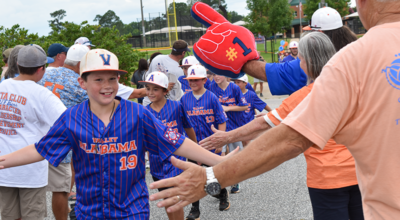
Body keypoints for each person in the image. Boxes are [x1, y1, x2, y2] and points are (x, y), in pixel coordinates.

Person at [149, 0, 400, 218]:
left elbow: (286, 139)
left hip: (335, 182)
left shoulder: (348, 64)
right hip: (356, 180)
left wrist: (211, 177)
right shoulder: (352, 55)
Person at [0, 48, 236, 220]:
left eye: (112, 78)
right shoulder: (72, 117)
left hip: (132, 210)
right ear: (82, 83)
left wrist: (222, 162)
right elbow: (41, 149)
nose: (107, 85)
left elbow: (175, 141)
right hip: (90, 212)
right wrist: (3, 162)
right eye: (98, 79)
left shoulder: (137, 114)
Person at [202, 33, 364, 219]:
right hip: (361, 173)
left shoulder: (306, 95)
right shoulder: (354, 86)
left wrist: (227, 137)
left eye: (300, 59)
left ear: (308, 62)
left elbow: (262, 125)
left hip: (327, 178)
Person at [0, 44, 66, 220]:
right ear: (41, 69)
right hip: (31, 171)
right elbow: (67, 123)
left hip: (4, 168)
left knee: (9, 217)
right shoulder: (42, 94)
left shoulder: (2, 86)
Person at [37, 44, 90, 220]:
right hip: (61, 141)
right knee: (60, 190)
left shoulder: (46, 73)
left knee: (34, 187)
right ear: (80, 64)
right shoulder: (79, 83)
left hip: (37, 136)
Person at [140, 72, 198, 220]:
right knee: (168, 203)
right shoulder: (144, 112)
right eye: (148, 88)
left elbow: (188, 128)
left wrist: (196, 152)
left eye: (155, 89)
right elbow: (144, 140)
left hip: (176, 163)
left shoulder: (176, 106)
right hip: (156, 165)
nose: (150, 93)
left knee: (174, 202)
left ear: (166, 91)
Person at [179, 64, 230, 220]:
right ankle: (195, 209)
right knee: (194, 176)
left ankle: (222, 194)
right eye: (190, 80)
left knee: (211, 175)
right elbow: (181, 123)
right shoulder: (183, 99)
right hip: (192, 146)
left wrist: (220, 142)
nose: (192, 83)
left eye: (196, 80)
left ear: (204, 80)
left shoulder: (212, 97)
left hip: (210, 143)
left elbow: (221, 120)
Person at [143, 40, 189, 106]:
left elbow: (147, 75)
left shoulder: (157, 58)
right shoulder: (178, 70)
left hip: (148, 100)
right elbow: (176, 93)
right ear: (183, 53)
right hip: (163, 105)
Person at [233, 74, 271, 147]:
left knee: (246, 142)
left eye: (239, 82)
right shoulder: (233, 94)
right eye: (235, 82)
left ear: (245, 83)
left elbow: (262, 104)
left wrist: (273, 113)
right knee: (239, 144)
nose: (236, 84)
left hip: (247, 124)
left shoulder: (251, 95)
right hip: (237, 124)